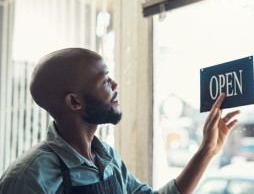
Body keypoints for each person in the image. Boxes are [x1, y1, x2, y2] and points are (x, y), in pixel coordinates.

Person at [0, 48, 240, 194]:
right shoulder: (27, 178)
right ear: (74, 102)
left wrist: (207, 150)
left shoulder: (107, 158)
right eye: (105, 81)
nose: (115, 86)